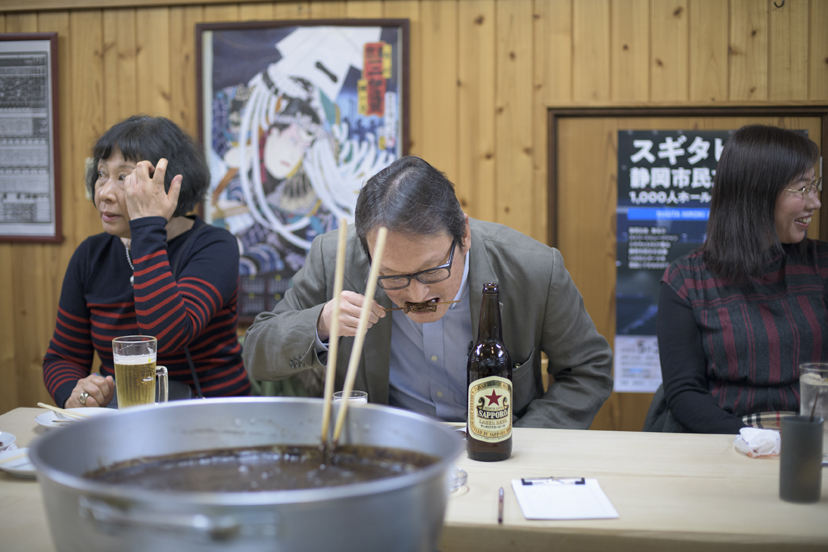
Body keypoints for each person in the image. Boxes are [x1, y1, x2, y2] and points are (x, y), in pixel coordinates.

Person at [243, 156, 613, 428]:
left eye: (432, 270)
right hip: (385, 458)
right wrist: (320, 323)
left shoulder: (533, 269)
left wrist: (525, 438)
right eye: (391, 276)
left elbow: (588, 369)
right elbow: (257, 352)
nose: (417, 292)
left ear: (463, 234)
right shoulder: (335, 259)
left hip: (499, 453)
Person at [43, 115, 251, 408]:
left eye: (124, 178)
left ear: (169, 184)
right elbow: (62, 357)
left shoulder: (215, 246)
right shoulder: (91, 255)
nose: (103, 193)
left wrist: (147, 226)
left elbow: (165, 336)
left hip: (214, 418)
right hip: (124, 418)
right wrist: (74, 392)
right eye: (102, 174)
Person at [656, 124, 827, 433]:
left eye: (815, 186)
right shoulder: (687, 279)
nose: (815, 202)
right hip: (728, 441)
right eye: (802, 189)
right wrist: (750, 439)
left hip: (815, 439)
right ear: (758, 193)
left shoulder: (822, 265)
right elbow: (684, 393)